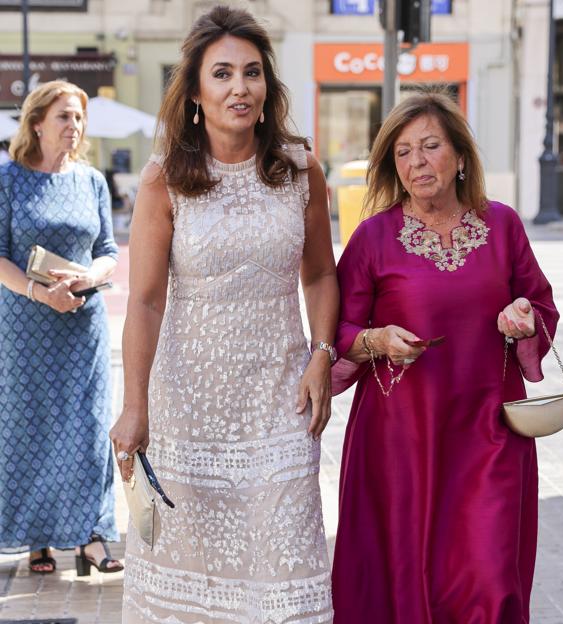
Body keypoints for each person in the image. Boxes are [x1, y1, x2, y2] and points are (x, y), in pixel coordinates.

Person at [109, 6, 338, 623]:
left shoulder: (299, 169)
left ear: (268, 88)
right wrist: (136, 405)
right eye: (223, 74)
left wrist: (323, 354)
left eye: (253, 73)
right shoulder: (165, 180)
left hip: (280, 399)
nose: (240, 87)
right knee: (196, 573)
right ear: (195, 93)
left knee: (286, 564)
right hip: (189, 407)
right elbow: (146, 301)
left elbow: (319, 274)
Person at [330, 89, 559, 623]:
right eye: (404, 152)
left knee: (490, 570)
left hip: (491, 430)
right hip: (401, 438)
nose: (417, 163)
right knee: (408, 571)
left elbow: (540, 304)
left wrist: (524, 317)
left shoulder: (502, 226)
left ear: (459, 155)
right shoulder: (373, 239)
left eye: (430, 146)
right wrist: (378, 339)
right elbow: (337, 331)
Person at [0, 80, 122, 575]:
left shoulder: (91, 180)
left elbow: (109, 252)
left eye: (78, 118)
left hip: (82, 323)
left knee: (88, 427)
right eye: (64, 118)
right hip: (24, 324)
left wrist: (91, 275)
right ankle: (38, 538)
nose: (74, 127)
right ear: (36, 124)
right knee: (29, 426)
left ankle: (91, 536)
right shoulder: (9, 179)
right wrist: (39, 293)